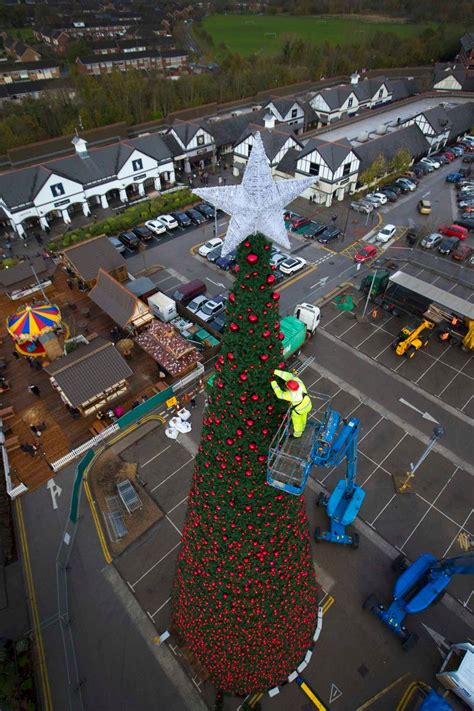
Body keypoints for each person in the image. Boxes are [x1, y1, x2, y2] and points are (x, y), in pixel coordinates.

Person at [270, 369, 312, 439]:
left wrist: (273, 382)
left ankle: (297, 435)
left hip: (298, 411)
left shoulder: (291, 395)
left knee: (297, 423)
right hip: (307, 405)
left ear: (290, 389)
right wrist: (275, 371)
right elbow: (288, 375)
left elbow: (279, 394)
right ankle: (304, 426)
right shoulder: (300, 383)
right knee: (304, 417)